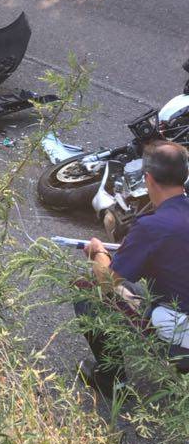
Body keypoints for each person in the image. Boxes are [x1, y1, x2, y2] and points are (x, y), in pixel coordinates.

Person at [75, 141, 189, 397]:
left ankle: (113, 382)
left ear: (148, 178)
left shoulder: (153, 226)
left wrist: (98, 253)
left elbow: (107, 282)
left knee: (88, 290)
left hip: (181, 334)